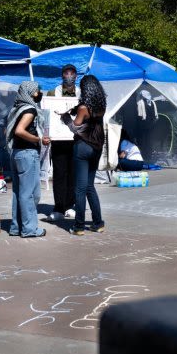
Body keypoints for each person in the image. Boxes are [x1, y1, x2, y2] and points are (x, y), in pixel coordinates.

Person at [62, 74, 107, 235]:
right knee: (90, 186)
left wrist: (66, 118)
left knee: (80, 189)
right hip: (97, 147)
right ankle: (98, 222)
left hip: (82, 147)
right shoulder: (101, 105)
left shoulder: (83, 108)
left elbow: (76, 127)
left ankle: (79, 226)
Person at [4, 81, 50, 238]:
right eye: (37, 91)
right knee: (30, 193)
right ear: (31, 93)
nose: (39, 93)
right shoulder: (29, 109)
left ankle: (16, 227)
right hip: (27, 154)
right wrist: (37, 139)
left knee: (18, 192)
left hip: (16, 153)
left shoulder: (17, 109)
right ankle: (29, 229)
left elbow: (9, 130)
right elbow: (19, 131)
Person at [50, 64, 78, 220]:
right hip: (58, 139)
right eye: (66, 73)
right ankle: (59, 206)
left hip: (74, 139)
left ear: (76, 76)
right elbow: (47, 113)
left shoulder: (80, 92)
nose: (69, 76)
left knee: (73, 174)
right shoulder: (53, 92)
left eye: (72, 73)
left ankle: (70, 205)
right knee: (59, 173)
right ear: (62, 75)